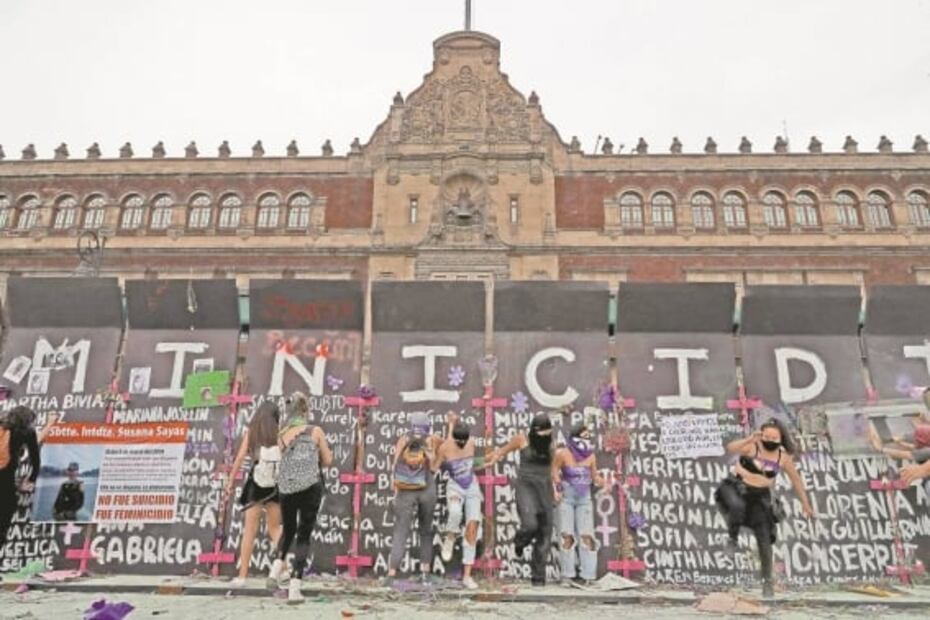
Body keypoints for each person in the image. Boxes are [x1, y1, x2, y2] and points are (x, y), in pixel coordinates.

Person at [715, 418, 814, 598]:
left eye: (774, 438)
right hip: (736, 489)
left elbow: (796, 481)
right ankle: (732, 538)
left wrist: (805, 503)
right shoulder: (753, 447)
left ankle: (767, 584)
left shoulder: (782, 457)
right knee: (736, 506)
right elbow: (730, 448)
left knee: (764, 539)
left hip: (759, 496)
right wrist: (749, 439)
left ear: (780, 439)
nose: (769, 440)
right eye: (766, 436)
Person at [273, 392, 332, 603]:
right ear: (305, 410)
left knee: (288, 529)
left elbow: (283, 462)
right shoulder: (315, 431)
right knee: (303, 535)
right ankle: (295, 588)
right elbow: (327, 461)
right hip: (310, 487)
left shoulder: (282, 435)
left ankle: (275, 567)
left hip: (287, 489)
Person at [487, 412, 555, 587]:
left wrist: (556, 489)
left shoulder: (552, 445)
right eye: (542, 432)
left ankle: (538, 580)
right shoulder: (521, 439)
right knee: (530, 525)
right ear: (534, 430)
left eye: (548, 432)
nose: (546, 436)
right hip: (526, 487)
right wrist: (493, 458)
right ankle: (519, 542)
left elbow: (553, 470)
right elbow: (501, 451)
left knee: (544, 535)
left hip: (545, 487)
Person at [226, 401, 284, 588]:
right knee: (275, 528)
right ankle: (286, 571)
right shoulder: (280, 433)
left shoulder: (252, 432)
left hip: (256, 484)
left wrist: (230, 481)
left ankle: (242, 577)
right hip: (275, 486)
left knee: (249, 531)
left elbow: (241, 456)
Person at [384, 411, 441, 587]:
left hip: (405, 489)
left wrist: (395, 489)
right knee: (425, 530)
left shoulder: (403, 439)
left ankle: (391, 574)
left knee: (401, 530)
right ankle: (425, 573)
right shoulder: (430, 440)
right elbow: (432, 467)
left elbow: (394, 464)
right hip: (427, 488)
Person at [552, 421, 605, 585]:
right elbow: (554, 471)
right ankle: (567, 574)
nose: (587, 438)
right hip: (567, 498)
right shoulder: (563, 453)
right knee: (567, 535)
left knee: (586, 535)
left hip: (584, 499)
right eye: (583, 435)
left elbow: (594, 475)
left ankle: (588, 575)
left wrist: (600, 481)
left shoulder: (591, 456)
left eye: (588, 435)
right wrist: (557, 488)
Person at [434, 411, 482, 590]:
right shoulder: (446, 447)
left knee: (472, 526)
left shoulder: (471, 442)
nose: (462, 444)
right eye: (458, 441)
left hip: (472, 486)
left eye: (464, 440)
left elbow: (455, 442)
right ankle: (451, 536)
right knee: (454, 512)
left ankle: (467, 575)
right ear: (453, 438)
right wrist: (432, 453)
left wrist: (452, 423)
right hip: (455, 486)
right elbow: (435, 466)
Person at [0, 406, 41, 552]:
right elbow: (35, 460)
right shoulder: (27, 432)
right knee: (2, 524)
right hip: (5, 482)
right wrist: (30, 480)